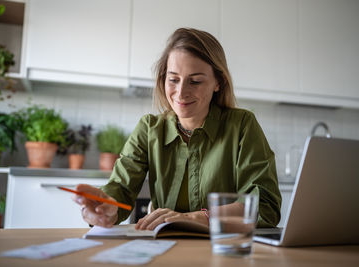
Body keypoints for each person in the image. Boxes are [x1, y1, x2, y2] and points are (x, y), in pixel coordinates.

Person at [73, 28, 281, 230]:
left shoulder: (242, 125)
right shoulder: (149, 128)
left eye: (195, 81)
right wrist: (105, 208)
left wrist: (198, 217)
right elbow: (121, 189)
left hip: (225, 250)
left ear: (218, 82)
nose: (181, 93)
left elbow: (265, 206)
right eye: (173, 79)